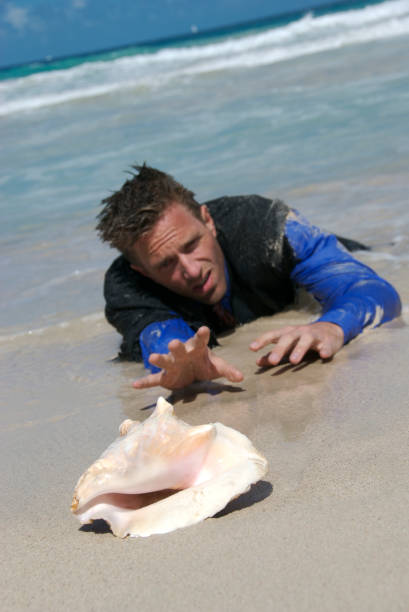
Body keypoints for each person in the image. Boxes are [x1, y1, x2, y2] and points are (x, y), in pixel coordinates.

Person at [96, 164, 401, 390]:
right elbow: (164, 340)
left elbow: (373, 290)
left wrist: (333, 325)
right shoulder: (127, 286)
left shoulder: (262, 226)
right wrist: (178, 364)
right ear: (142, 271)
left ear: (208, 220)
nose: (191, 270)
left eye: (192, 245)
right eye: (166, 264)